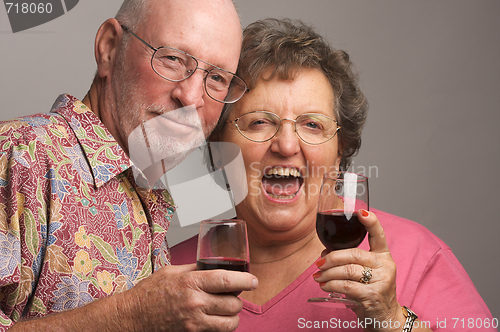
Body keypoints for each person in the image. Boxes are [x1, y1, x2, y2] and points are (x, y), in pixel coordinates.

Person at [170, 18, 496, 331]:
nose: (286, 144)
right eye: (259, 121)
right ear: (219, 144)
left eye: (312, 125)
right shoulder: (169, 272)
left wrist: (393, 321)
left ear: (340, 151)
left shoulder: (417, 256)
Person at [0, 0, 259, 331]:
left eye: (218, 78)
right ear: (109, 48)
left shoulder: (143, 184)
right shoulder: (18, 157)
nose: (192, 98)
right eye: (173, 59)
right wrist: (131, 314)